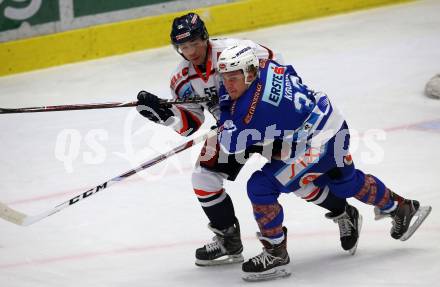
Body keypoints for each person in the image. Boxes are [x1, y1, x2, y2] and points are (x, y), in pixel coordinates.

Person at [136, 12, 362, 267]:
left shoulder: (236, 50)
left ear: (205, 37)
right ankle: (228, 240)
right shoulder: (181, 80)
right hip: (233, 132)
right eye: (183, 47)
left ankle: (344, 212)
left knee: (297, 182)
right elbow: (191, 125)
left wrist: (248, 106)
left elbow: (282, 70)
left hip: (268, 125)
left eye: (194, 44)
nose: (190, 52)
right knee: (203, 177)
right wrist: (167, 116)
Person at [215, 44, 432, 281]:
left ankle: (275, 252)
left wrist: (224, 108)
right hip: (333, 124)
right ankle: (400, 207)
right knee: (344, 183)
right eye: (224, 78)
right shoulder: (267, 66)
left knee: (261, 186)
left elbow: (230, 144)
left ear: (249, 73)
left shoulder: (253, 110)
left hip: (317, 145)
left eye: (233, 78)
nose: (228, 84)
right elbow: (279, 61)